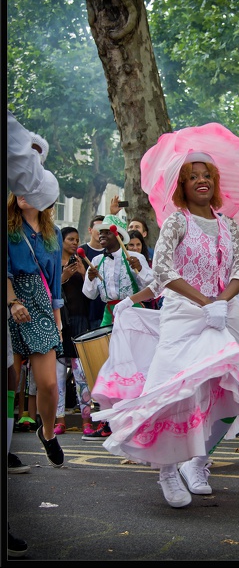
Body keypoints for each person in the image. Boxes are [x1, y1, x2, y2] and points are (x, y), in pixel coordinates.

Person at [90, 122, 239, 509]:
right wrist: (199, 303)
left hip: (226, 317)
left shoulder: (228, 225)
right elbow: (164, 272)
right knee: (172, 394)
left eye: (206, 176)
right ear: (181, 186)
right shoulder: (176, 222)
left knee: (221, 394)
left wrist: (221, 303)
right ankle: (167, 470)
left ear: (215, 183)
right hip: (183, 317)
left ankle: (198, 463)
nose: (200, 181)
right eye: (192, 177)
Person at [6, 111, 62, 557]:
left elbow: (55, 279)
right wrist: (11, 300)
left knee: (47, 383)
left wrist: (56, 314)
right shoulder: (6, 225)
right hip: (12, 300)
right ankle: (10, 444)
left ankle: (46, 432)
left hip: (42, 306)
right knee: (10, 382)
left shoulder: (52, 232)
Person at [81, 214, 154, 440]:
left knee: (136, 368)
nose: (101, 235)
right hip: (109, 315)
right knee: (110, 369)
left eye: (106, 232)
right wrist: (91, 277)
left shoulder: (134, 256)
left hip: (132, 314)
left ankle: (139, 419)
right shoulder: (98, 262)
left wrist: (140, 269)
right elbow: (89, 294)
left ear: (118, 235)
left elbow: (153, 284)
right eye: (99, 232)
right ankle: (110, 422)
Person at [54, 227, 95, 437]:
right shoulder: (53, 264)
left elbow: (93, 291)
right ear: (60, 240)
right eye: (70, 239)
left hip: (80, 321)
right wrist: (62, 276)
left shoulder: (83, 263)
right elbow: (49, 290)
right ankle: (59, 419)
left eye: (77, 240)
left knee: (81, 375)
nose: (74, 243)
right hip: (60, 321)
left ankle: (86, 420)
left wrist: (82, 272)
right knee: (58, 375)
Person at [77, 214, 106, 330]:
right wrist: (86, 275)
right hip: (89, 310)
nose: (101, 232)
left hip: (108, 308)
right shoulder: (81, 251)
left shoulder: (110, 251)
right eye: (98, 229)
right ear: (90, 230)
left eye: (104, 229)